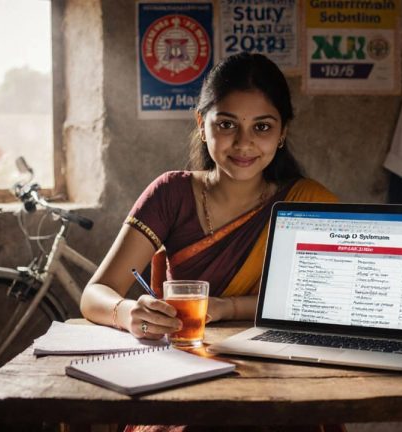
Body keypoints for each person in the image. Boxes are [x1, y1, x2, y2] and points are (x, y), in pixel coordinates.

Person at [80, 52, 338, 346]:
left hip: (280, 357)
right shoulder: (171, 194)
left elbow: (327, 302)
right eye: (227, 125)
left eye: (262, 127)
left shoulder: (308, 203)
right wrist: (128, 313)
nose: (243, 143)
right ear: (202, 123)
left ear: (282, 132)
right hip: (185, 355)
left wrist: (227, 307)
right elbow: (95, 294)